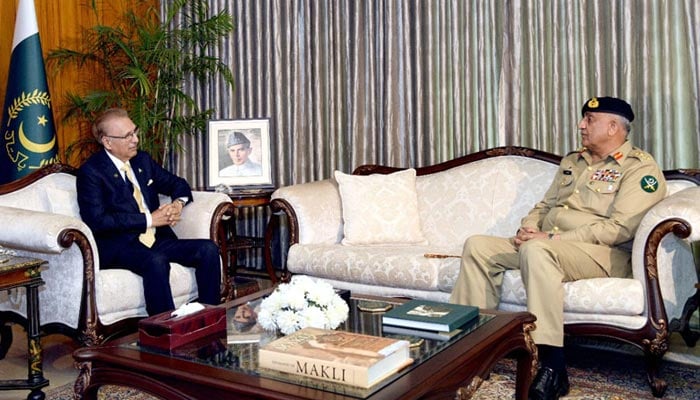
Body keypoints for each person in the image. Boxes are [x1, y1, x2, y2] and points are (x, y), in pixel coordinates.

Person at [449, 97, 667, 400]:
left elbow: (620, 229)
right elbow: (546, 205)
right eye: (583, 119)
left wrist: (549, 240)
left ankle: (552, 364)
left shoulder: (639, 168)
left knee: (537, 252)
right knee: (478, 246)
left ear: (614, 126)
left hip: (603, 254)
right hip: (549, 246)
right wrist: (528, 228)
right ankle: (470, 349)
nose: (581, 125)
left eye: (589, 120)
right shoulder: (572, 161)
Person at [76, 108, 221, 316]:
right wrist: (149, 219)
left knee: (207, 249)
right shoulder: (91, 172)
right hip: (120, 245)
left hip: (157, 239)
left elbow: (177, 184)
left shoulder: (141, 160)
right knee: (156, 260)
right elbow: (98, 221)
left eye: (135, 132)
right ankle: (164, 331)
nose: (135, 139)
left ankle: (209, 318)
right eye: (127, 136)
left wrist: (177, 205)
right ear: (107, 142)